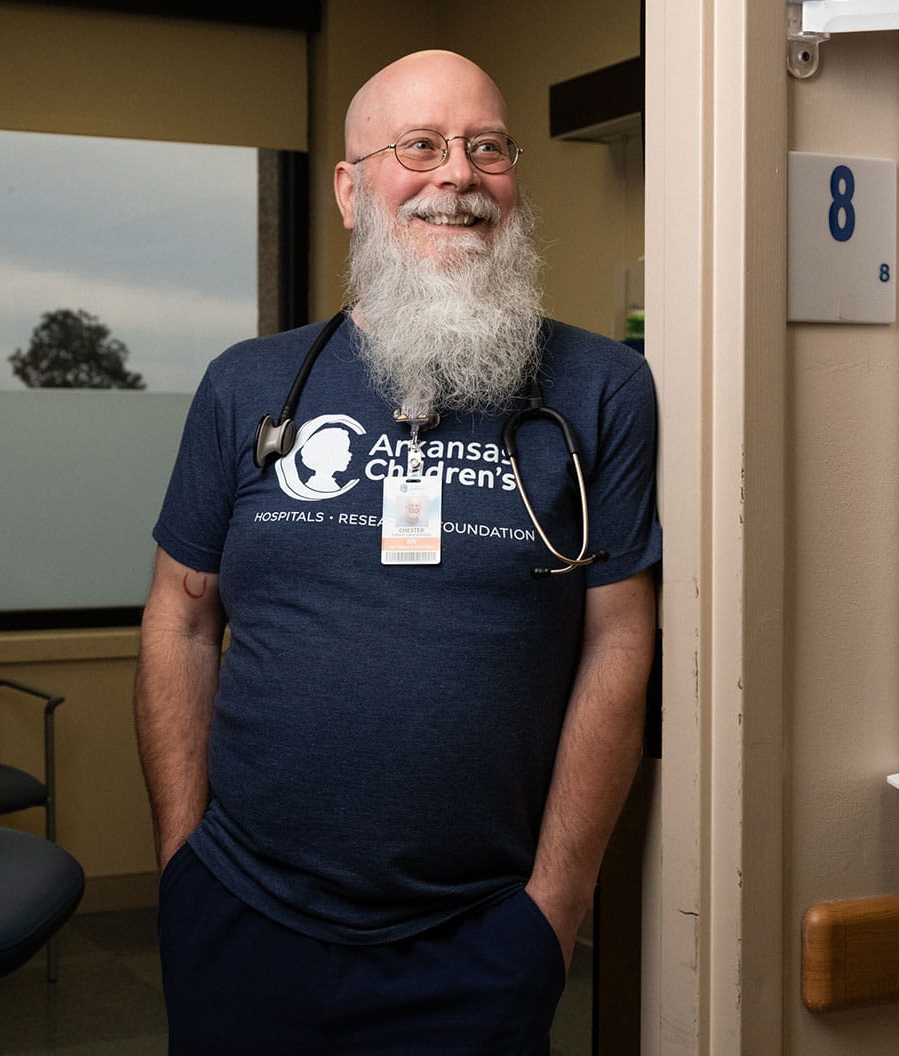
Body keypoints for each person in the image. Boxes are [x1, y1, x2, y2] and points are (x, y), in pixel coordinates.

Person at [135, 48, 661, 1056]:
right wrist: (181, 863)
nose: (458, 176)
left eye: (487, 149)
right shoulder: (248, 387)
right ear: (350, 188)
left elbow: (619, 646)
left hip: (481, 943)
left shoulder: (600, 393)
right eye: (419, 146)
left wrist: (553, 907)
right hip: (240, 922)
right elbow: (182, 614)